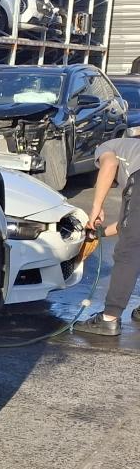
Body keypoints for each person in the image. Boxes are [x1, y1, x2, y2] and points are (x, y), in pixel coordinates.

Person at [74, 127, 140, 335]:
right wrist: (96, 234)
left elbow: (109, 164)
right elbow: (127, 225)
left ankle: (109, 318)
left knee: (127, 253)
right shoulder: (134, 151)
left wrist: (96, 207)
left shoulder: (106, 147)